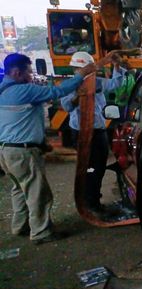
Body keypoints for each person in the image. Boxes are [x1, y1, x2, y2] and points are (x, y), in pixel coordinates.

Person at [0, 53, 95, 244]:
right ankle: (41, 232)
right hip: (22, 152)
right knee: (37, 192)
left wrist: (42, 143)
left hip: (6, 151)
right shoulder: (22, 90)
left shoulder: (3, 90)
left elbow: (18, 122)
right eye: (29, 71)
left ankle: (20, 226)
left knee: (19, 188)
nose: (31, 76)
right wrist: (81, 75)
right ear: (17, 72)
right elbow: (56, 92)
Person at [61, 51, 126, 213]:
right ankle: (89, 200)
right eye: (80, 69)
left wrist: (117, 65)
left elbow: (116, 84)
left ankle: (93, 198)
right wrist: (78, 96)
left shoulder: (97, 83)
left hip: (98, 132)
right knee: (88, 167)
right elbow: (67, 106)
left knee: (98, 166)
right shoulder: (69, 86)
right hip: (82, 133)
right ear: (75, 70)